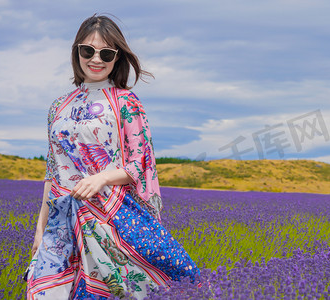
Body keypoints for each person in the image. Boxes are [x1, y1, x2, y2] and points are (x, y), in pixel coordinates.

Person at [26, 14, 200, 299]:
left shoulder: (126, 102)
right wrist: (40, 228)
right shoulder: (58, 106)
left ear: (116, 57)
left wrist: (101, 177)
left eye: (106, 53)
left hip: (112, 216)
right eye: (88, 51)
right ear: (77, 51)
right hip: (63, 220)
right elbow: (53, 171)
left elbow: (138, 163)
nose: (96, 59)